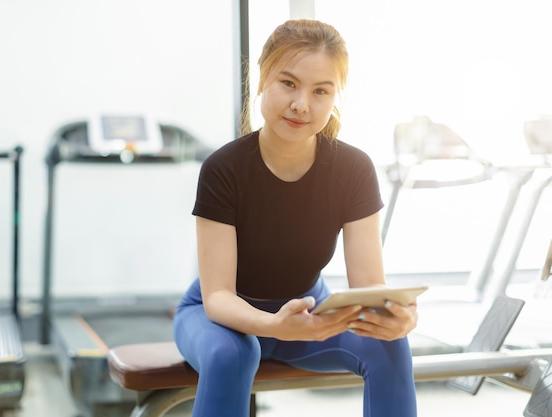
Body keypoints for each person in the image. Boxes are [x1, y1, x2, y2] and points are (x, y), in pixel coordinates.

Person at [173, 19, 419, 417]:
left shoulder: (353, 169)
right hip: (218, 318)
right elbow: (218, 297)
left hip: (308, 317)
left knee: (387, 342)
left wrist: (397, 318)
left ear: (335, 96)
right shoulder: (224, 168)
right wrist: (272, 326)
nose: (302, 104)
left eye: (320, 91)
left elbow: (370, 286)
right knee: (231, 354)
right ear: (261, 81)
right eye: (288, 83)